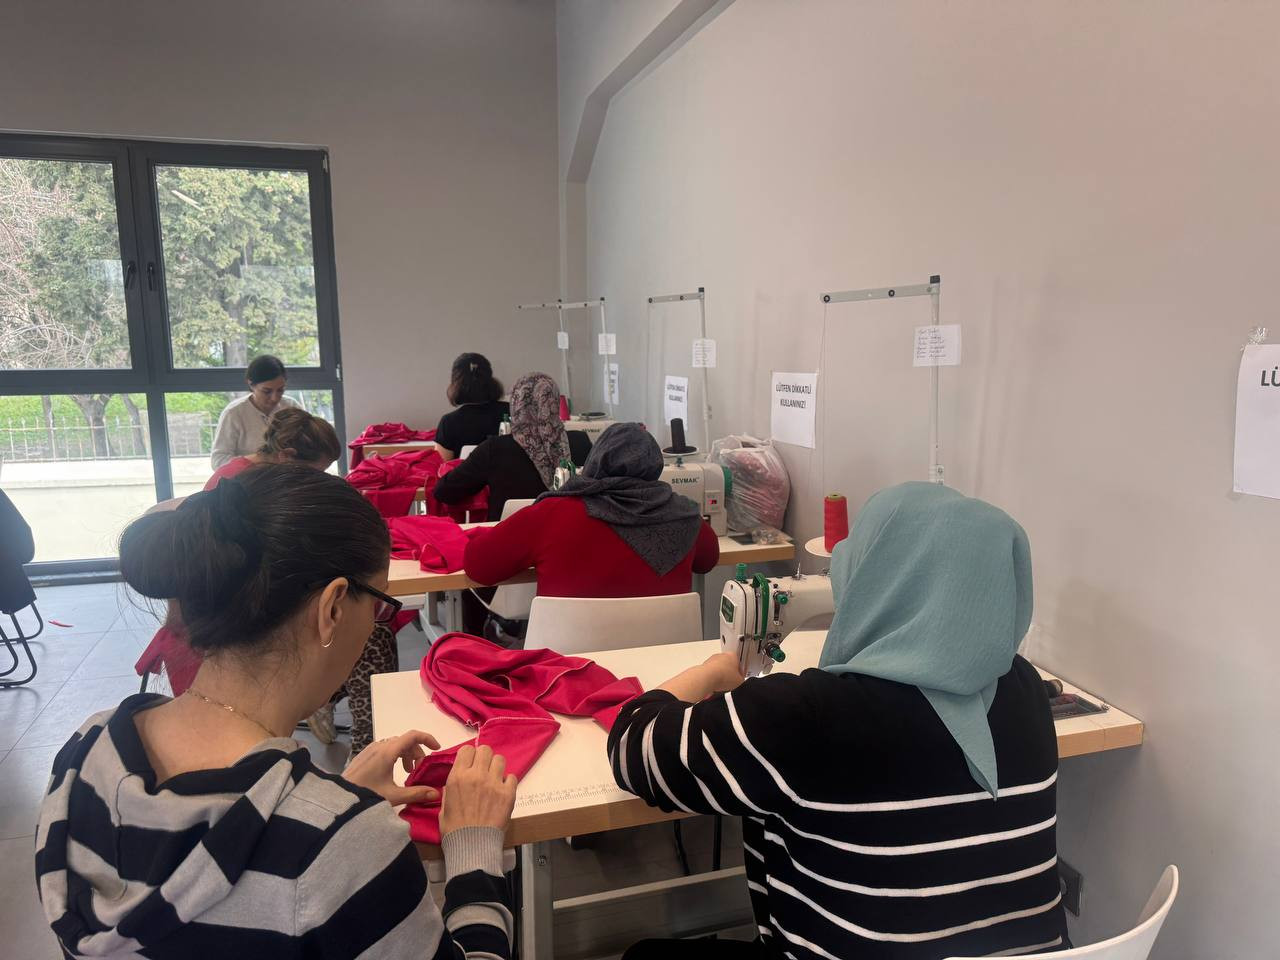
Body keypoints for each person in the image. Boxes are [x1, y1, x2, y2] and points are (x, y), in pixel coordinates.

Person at [38, 466, 518, 958]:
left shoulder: (86, 751)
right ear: (332, 607)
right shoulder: (347, 847)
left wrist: (330, 800)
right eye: (378, 606)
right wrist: (474, 852)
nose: (376, 626)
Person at [609, 482, 1069, 960]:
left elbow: (632, 747)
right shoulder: (1025, 690)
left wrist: (709, 672)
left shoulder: (807, 716)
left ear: (871, 577)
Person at [465, 422, 719, 597]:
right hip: (665, 656)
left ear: (596, 459)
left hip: (569, 658)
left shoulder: (552, 513)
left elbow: (479, 566)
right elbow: (708, 560)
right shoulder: (683, 515)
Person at [434, 371, 591, 521]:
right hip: (570, 534)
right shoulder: (581, 442)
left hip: (511, 536)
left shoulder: (494, 449)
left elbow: (444, 491)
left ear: (516, 404)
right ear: (554, 402)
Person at [204, 407, 341, 489]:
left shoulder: (271, 473)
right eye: (315, 472)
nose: (316, 478)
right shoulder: (237, 479)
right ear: (286, 455)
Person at [210, 354, 298, 468]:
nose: (275, 398)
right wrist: (257, 461)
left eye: (280, 390)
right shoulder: (234, 413)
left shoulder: (291, 407)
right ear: (251, 384)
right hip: (249, 476)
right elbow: (218, 460)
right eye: (267, 391)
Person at [434, 352, 509, 461]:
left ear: (456, 384)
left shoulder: (448, 422)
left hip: (464, 472)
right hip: (511, 472)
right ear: (490, 381)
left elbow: (443, 465)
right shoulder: (511, 412)